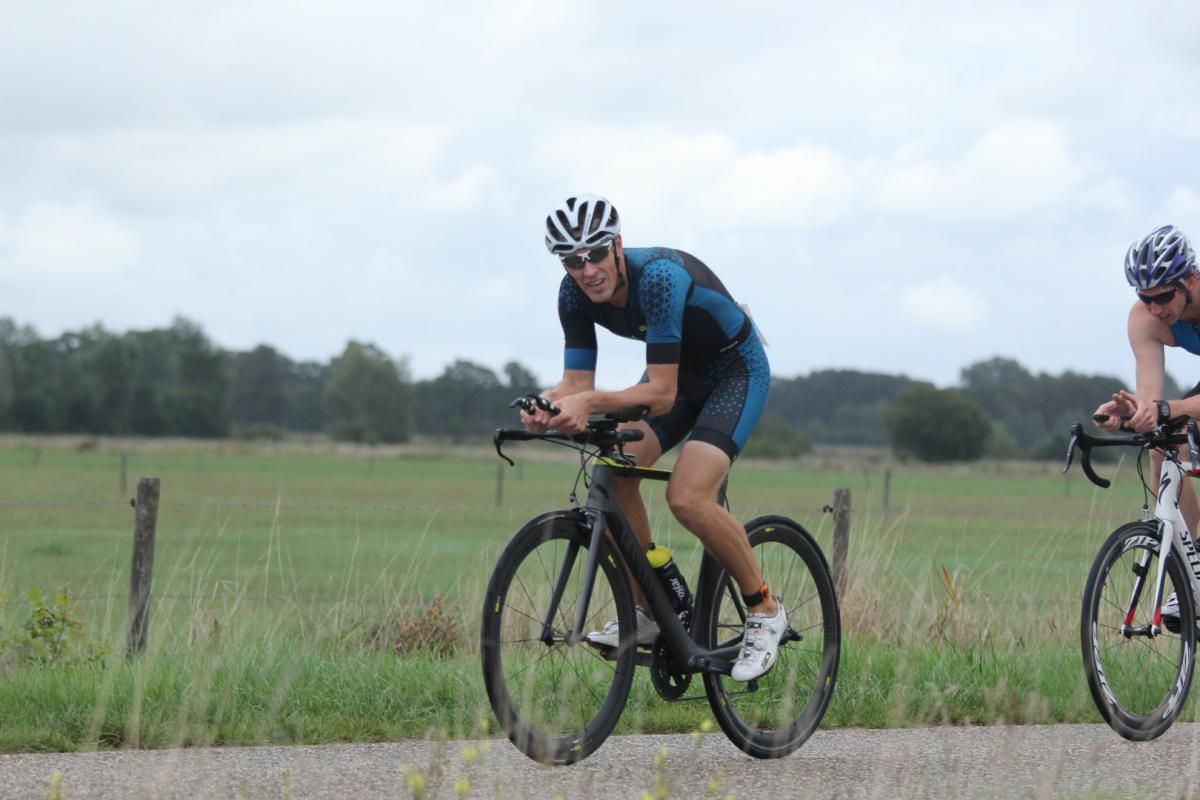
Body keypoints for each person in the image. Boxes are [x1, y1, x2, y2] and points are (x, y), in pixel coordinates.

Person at [520, 193, 780, 681]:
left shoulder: (659, 278)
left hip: (733, 374)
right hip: (676, 377)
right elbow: (576, 383)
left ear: (618, 245)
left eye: (597, 253)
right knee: (615, 475)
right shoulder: (572, 294)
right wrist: (548, 405)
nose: (587, 270)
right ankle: (650, 608)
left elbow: (659, 395)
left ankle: (764, 608)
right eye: (572, 260)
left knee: (687, 497)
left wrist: (587, 403)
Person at [1094, 224, 1200, 630]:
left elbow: (1170, 407)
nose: (1154, 308)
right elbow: (1152, 399)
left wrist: (1167, 408)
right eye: (1145, 298)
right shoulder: (1145, 320)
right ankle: (1189, 574)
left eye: (1163, 297)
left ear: (1190, 281)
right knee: (1164, 444)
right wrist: (1130, 413)